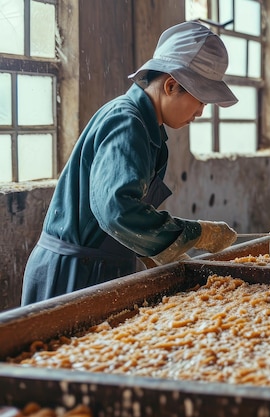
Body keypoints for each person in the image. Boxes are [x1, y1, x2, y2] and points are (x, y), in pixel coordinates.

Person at [21, 21, 239, 305]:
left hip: (99, 267)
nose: (200, 112)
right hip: (76, 274)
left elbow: (128, 213)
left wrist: (163, 251)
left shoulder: (149, 130)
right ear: (171, 86)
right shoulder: (127, 122)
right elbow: (118, 212)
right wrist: (197, 233)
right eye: (201, 101)